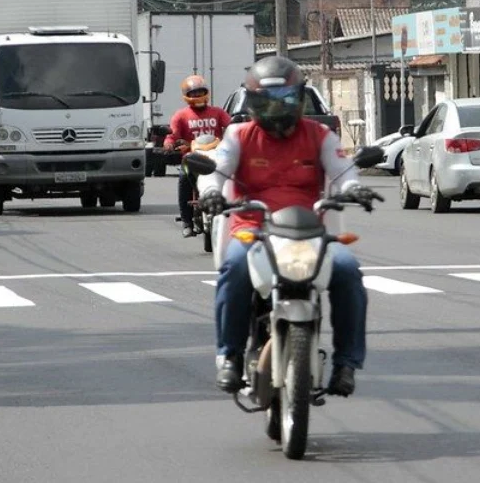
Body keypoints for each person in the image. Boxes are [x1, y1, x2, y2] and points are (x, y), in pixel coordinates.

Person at [197, 56, 382, 396]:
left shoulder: (320, 135)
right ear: (252, 104)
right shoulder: (238, 135)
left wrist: (354, 189)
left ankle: (346, 363)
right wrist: (210, 193)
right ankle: (230, 357)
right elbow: (216, 171)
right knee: (234, 269)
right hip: (252, 228)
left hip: (312, 230)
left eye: (285, 99)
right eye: (267, 101)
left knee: (347, 270)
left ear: (299, 99)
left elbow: (343, 172)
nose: (276, 108)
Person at [163, 75, 230, 238]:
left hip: (215, 156)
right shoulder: (181, 116)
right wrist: (169, 144)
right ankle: (187, 222)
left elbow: (231, 127)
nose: (197, 96)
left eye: (200, 92)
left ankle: (231, 214)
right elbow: (172, 135)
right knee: (183, 179)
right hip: (191, 158)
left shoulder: (218, 112)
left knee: (230, 178)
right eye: (193, 93)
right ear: (187, 96)